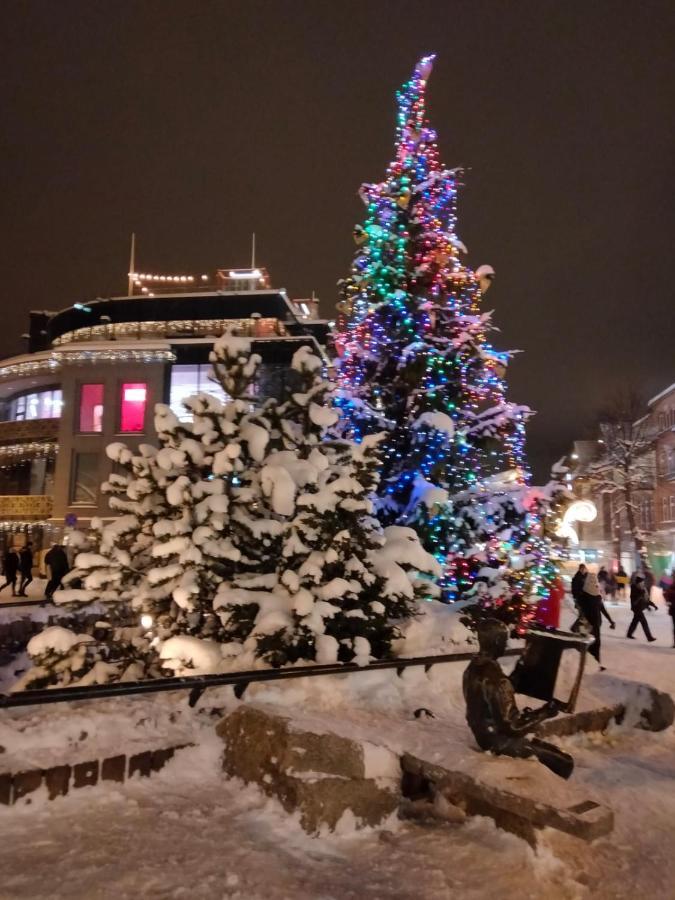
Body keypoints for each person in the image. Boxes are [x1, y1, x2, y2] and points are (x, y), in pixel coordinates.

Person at [463, 619, 573, 779]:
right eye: (504, 640)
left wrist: (517, 674)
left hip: (483, 735)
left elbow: (490, 696)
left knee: (541, 743)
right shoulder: (497, 680)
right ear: (496, 641)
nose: (505, 645)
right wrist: (545, 713)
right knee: (565, 762)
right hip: (500, 742)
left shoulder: (473, 668)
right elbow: (512, 727)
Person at [578, 571, 615, 669]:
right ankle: (592, 664)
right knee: (594, 644)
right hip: (592, 623)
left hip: (589, 624)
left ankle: (593, 664)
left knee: (592, 644)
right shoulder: (595, 596)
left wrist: (611, 621)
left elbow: (580, 608)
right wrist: (611, 621)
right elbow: (603, 610)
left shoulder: (583, 595)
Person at [627, 575, 656, 642]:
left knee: (635, 621)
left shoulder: (642, 589)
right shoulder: (634, 589)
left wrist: (653, 605)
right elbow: (635, 600)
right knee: (644, 622)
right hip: (636, 608)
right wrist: (640, 595)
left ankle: (629, 634)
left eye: (643, 582)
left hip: (639, 608)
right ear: (638, 583)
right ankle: (649, 637)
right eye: (641, 582)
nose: (643, 584)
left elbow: (645, 600)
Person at [570, 563, 587, 632]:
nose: (584, 570)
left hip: (579, 598)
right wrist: (578, 596)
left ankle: (576, 628)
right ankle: (575, 628)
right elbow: (577, 588)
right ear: (581, 569)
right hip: (579, 599)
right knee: (582, 614)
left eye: (584, 569)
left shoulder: (580, 576)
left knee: (582, 614)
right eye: (583, 569)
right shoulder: (578, 577)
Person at [663, 571, 675, 649]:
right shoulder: (672, 585)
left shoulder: (672, 586)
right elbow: (666, 594)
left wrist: (668, 593)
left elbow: (667, 593)